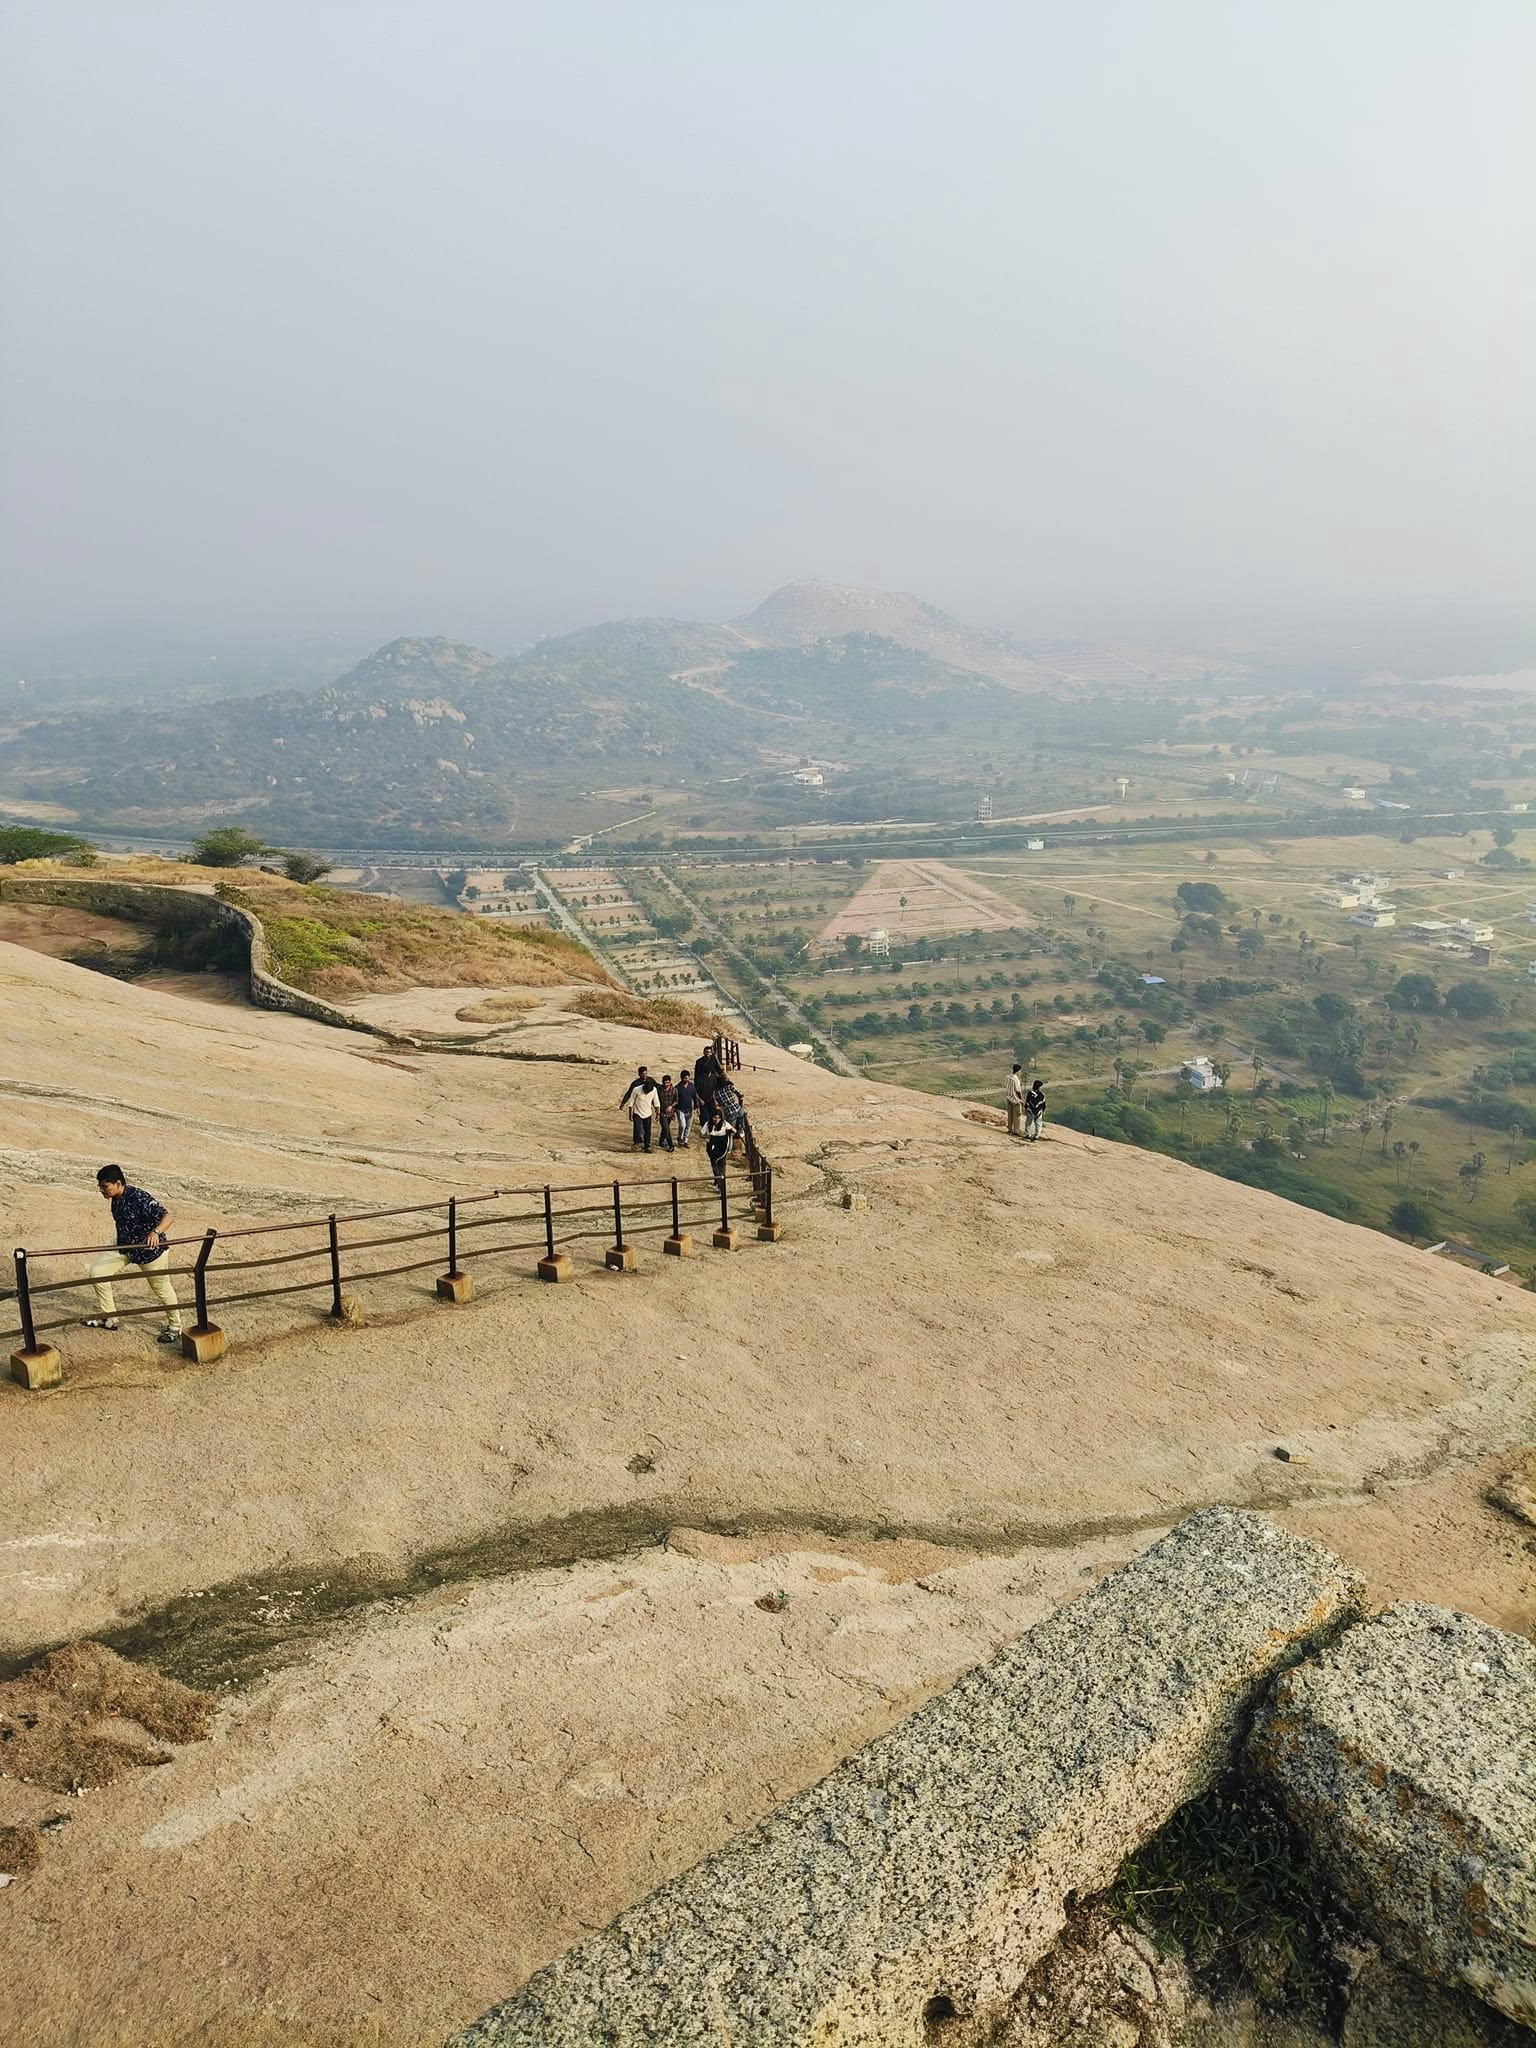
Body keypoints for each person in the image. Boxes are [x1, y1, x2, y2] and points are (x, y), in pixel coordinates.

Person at [85, 1166, 182, 1343]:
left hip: (149, 1251)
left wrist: (156, 1232)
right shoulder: (115, 1198)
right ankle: (110, 1317)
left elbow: (168, 1216)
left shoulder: (139, 1197)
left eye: (105, 1186)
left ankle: (175, 1327)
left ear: (118, 1183)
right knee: (97, 1272)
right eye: (100, 1186)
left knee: (162, 1289)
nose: (101, 1190)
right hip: (125, 1246)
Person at [703, 1100, 737, 1195]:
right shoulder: (708, 1124)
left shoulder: (725, 1124)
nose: (716, 1120)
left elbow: (734, 1131)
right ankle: (717, 1179)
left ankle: (721, 1185)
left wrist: (730, 1131)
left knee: (722, 1167)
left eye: (718, 1118)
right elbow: (702, 1134)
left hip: (722, 1147)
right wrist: (708, 1137)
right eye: (715, 1117)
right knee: (714, 1165)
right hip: (712, 1148)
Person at [618, 1064, 651, 1150]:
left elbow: (657, 1089)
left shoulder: (650, 1081)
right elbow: (629, 1093)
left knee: (645, 1127)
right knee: (637, 1127)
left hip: (647, 1107)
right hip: (637, 1107)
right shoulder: (635, 1084)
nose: (644, 1075)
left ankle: (645, 1143)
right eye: (642, 1074)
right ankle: (637, 1142)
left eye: (645, 1073)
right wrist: (623, 1103)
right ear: (639, 1074)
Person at [629, 1073, 661, 1154]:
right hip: (637, 1113)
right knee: (637, 1129)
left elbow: (656, 1103)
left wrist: (657, 1114)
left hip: (648, 1113)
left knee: (648, 1130)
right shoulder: (636, 1089)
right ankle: (636, 1144)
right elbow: (631, 1103)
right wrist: (630, 1114)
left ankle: (647, 1146)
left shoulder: (654, 1090)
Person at [694, 1040, 723, 1115]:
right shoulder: (699, 1062)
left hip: (712, 1082)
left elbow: (718, 1069)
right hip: (703, 1083)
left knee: (713, 1106)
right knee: (704, 1107)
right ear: (704, 1052)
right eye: (706, 1052)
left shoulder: (713, 1059)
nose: (708, 1054)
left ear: (711, 1053)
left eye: (709, 1052)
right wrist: (696, 1086)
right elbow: (697, 1074)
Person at [675, 1067, 697, 1149]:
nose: (686, 1080)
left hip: (689, 1109)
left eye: (687, 1078)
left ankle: (685, 1141)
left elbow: (694, 1096)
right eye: (685, 1078)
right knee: (682, 1125)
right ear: (681, 1078)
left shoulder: (691, 1086)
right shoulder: (677, 1088)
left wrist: (696, 1106)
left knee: (688, 1127)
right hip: (680, 1109)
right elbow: (675, 1099)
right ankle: (680, 1138)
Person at [657, 1073, 677, 1153]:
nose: (666, 1084)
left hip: (670, 1112)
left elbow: (676, 1100)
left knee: (666, 1128)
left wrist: (671, 1106)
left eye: (667, 1083)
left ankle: (661, 1140)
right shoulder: (659, 1090)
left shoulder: (674, 1090)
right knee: (666, 1128)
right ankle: (671, 1145)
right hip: (662, 1112)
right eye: (664, 1083)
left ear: (670, 1082)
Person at [1023, 1077, 1046, 1142]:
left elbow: (1027, 1102)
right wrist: (1044, 1111)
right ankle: (1036, 1136)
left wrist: (1025, 1108)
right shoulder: (1042, 1094)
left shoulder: (1030, 1093)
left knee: (1028, 1123)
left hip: (1030, 1110)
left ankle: (1027, 1135)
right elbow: (1043, 1103)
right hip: (1038, 1111)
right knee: (1038, 1124)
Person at [1006, 1062, 1025, 1138]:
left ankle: (1010, 1129)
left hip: (1008, 1097)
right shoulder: (1016, 1079)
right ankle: (1016, 1131)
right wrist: (1021, 1099)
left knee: (1010, 1115)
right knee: (1017, 1115)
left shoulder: (1007, 1077)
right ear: (1018, 1071)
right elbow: (1018, 1090)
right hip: (1015, 1100)